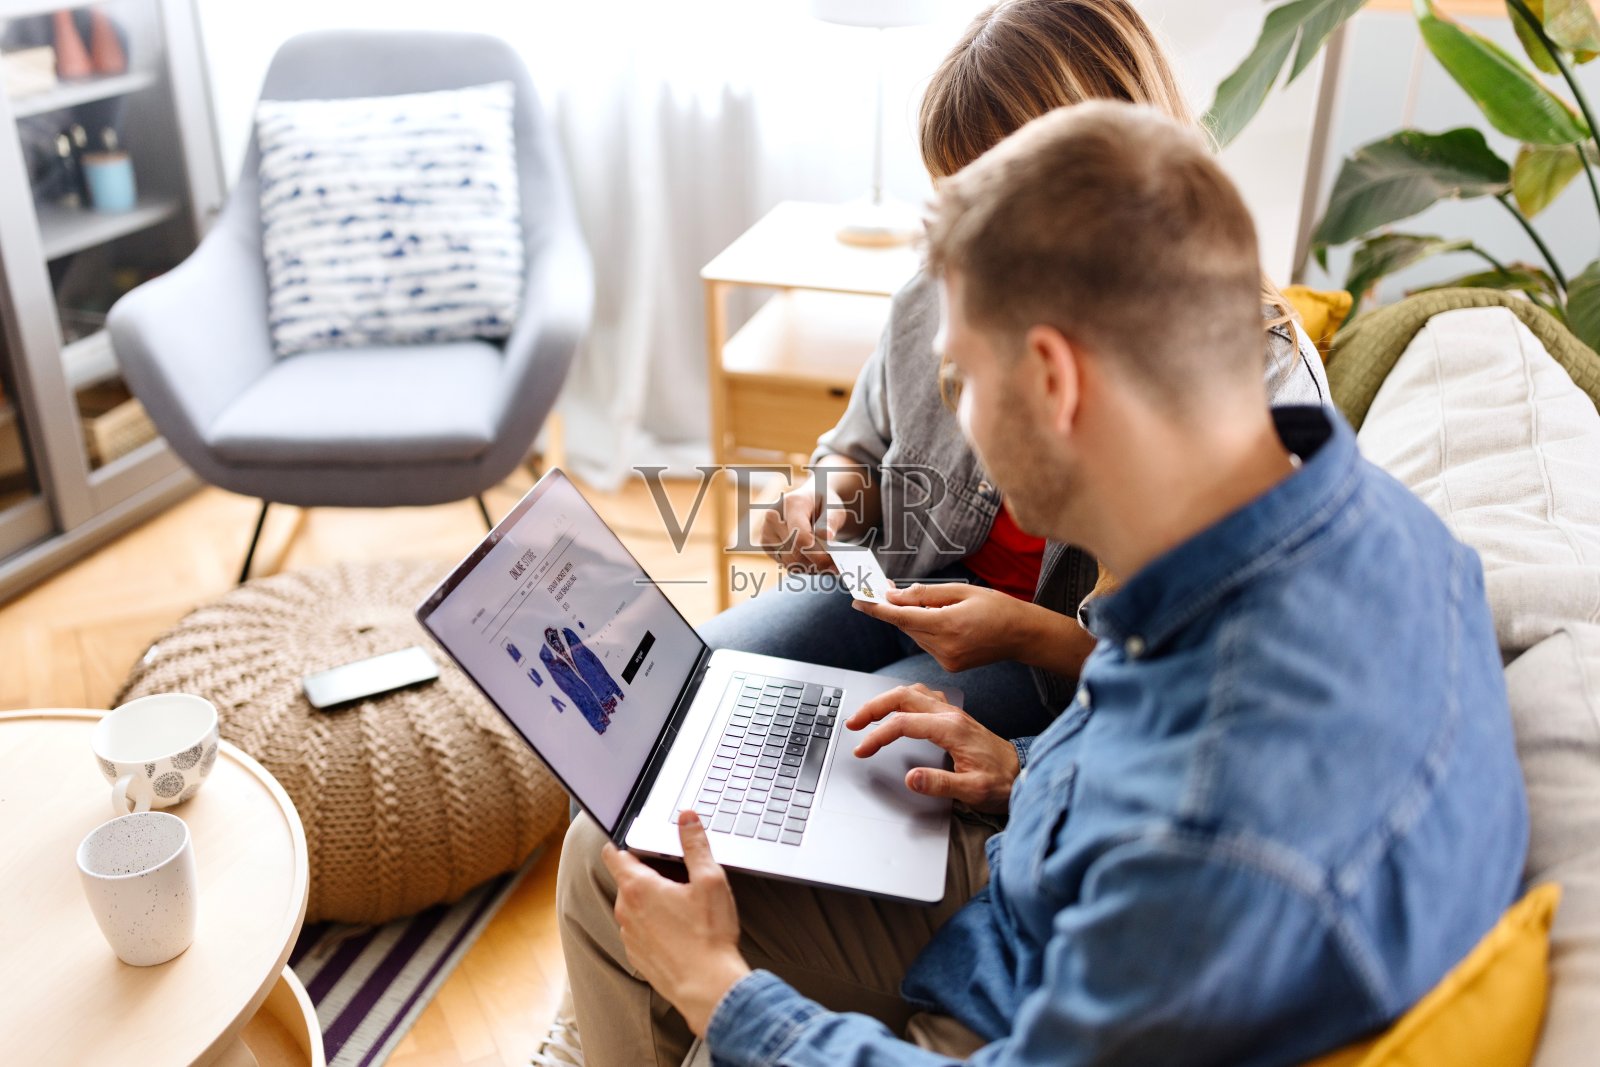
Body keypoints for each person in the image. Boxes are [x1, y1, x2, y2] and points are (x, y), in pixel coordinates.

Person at [557, 101, 1528, 1066]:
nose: (954, 423)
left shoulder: (1208, 830)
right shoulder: (1360, 524)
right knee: (623, 855)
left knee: (634, 890)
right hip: (1033, 874)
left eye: (960, 380)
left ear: (1054, 381)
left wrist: (722, 992)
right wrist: (1023, 770)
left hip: (1008, 985)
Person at [699, 0, 1330, 743]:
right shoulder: (946, 285)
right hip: (898, 586)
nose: (968, 249)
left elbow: (1206, 667)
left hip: (1053, 663)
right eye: (956, 200)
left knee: (832, 739)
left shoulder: (1252, 379)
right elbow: (861, 448)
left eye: (996, 210)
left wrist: (1026, 632)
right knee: (697, 678)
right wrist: (825, 499)